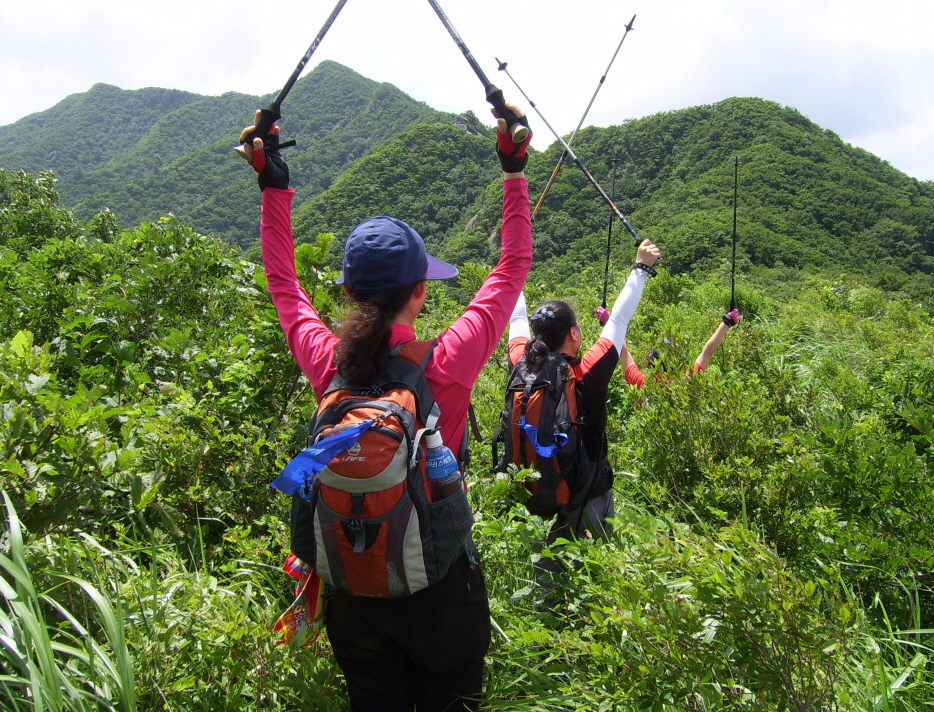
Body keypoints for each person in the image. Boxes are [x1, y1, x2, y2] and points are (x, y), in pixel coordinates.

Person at [242, 102, 533, 711]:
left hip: (354, 590)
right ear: (421, 292)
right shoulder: (449, 359)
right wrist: (513, 170)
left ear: (348, 290)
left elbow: (284, 286)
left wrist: (275, 187)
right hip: (441, 591)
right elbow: (512, 268)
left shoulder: (328, 364)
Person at [505, 241, 661, 547]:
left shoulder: (520, 365)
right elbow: (618, 320)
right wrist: (642, 267)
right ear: (574, 334)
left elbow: (515, 318)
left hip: (534, 488)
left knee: (548, 575)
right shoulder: (585, 371)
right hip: (587, 490)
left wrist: (510, 265)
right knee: (595, 572)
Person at [620, 308, 741, 387]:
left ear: (651, 358)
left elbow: (623, 350)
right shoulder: (686, 381)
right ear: (677, 361)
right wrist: (727, 323)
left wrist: (610, 322)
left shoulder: (641, 382)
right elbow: (707, 352)